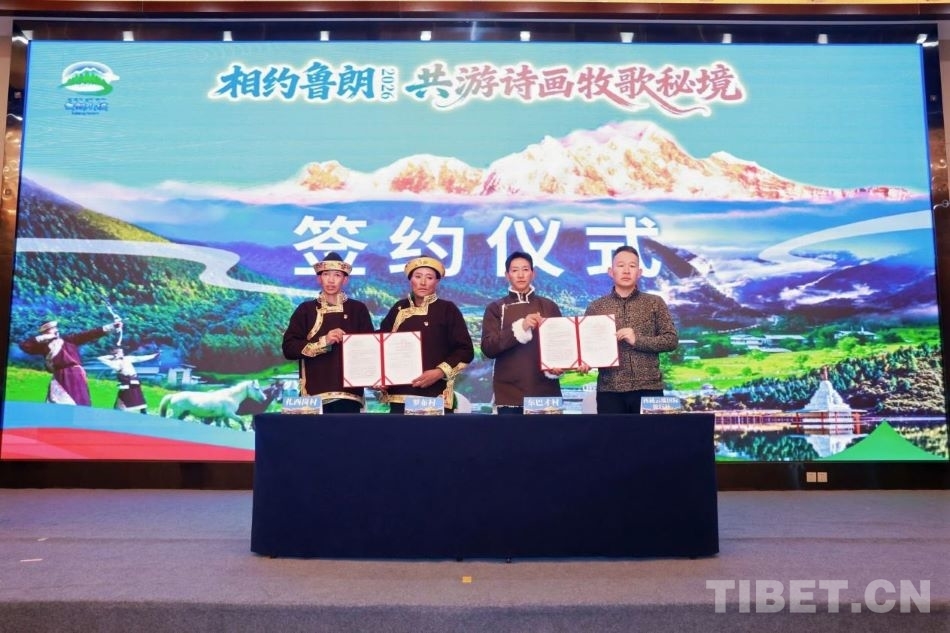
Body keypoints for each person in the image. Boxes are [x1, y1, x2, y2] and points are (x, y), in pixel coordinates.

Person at [581, 245, 678, 414]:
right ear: (611, 272)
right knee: (612, 433)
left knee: (651, 433)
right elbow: (586, 346)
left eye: (632, 266)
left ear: (639, 272)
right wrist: (585, 361)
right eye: (621, 265)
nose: (626, 270)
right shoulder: (596, 307)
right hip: (610, 391)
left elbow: (671, 340)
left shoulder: (654, 302)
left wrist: (637, 340)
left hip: (649, 389)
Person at [378, 256, 474, 414]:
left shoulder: (447, 309)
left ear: (437, 281)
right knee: (399, 431)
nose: (423, 282)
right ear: (410, 280)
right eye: (418, 276)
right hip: (399, 395)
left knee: (431, 431)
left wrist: (439, 372)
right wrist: (379, 377)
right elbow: (380, 345)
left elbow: (465, 350)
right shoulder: (398, 309)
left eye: (429, 278)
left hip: (434, 395)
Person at [282, 252, 375, 414]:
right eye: (326, 274)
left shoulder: (358, 309)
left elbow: (370, 348)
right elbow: (289, 348)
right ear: (319, 278)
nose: (331, 280)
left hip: (350, 395)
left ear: (345, 280)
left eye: (337, 275)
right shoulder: (306, 310)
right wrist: (323, 341)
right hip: (313, 396)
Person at [480, 251, 563, 414]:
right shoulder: (496, 308)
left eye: (525, 269)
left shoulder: (549, 306)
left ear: (533, 273)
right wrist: (521, 328)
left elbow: (560, 344)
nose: (520, 275)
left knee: (549, 432)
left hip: (545, 392)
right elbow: (488, 348)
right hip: (509, 393)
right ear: (507, 275)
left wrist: (560, 366)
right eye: (514, 270)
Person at [19, 318, 122, 406]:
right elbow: (25, 346)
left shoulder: (68, 340)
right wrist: (46, 337)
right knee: (57, 401)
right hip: (59, 374)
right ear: (45, 332)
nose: (56, 330)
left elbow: (89, 334)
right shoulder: (43, 347)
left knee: (79, 401)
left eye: (55, 328)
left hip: (75, 373)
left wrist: (112, 326)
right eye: (51, 329)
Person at [96, 347, 159, 414]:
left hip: (134, 380)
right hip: (126, 382)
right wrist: (112, 356)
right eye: (120, 352)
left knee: (139, 396)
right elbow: (100, 358)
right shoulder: (114, 363)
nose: (122, 353)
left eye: (122, 352)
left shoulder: (127, 358)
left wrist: (153, 356)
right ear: (116, 354)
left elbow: (138, 358)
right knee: (124, 396)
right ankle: (117, 411)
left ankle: (143, 411)